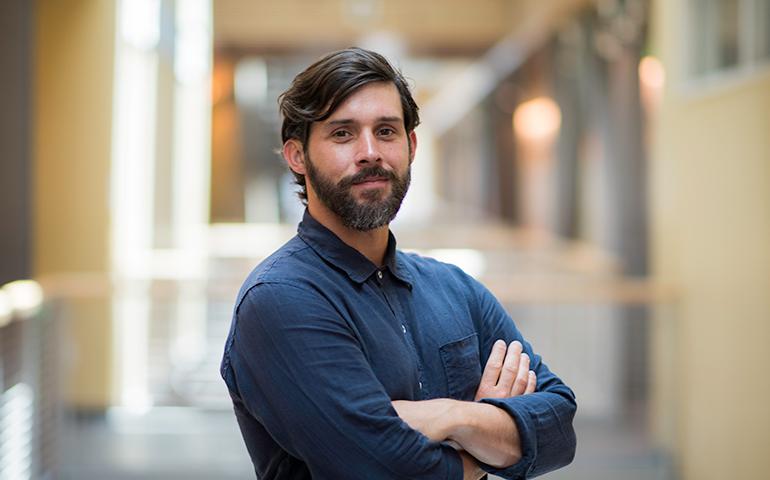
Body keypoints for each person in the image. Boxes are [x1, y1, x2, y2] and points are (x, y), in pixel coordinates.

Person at [220, 47, 576, 479]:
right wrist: (487, 445)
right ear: (297, 156)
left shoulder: (454, 288)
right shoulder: (281, 300)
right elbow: (382, 469)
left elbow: (558, 429)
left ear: (409, 146)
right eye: (342, 134)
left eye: (386, 131)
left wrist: (452, 416)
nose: (370, 152)